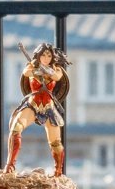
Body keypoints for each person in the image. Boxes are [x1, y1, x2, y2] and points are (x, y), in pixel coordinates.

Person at [6, 43, 70, 176]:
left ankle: (58, 171)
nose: (46, 58)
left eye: (49, 55)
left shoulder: (56, 69)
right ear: (38, 55)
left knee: (56, 142)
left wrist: (44, 70)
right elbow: (26, 72)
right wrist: (38, 69)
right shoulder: (31, 66)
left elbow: (57, 77)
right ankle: (10, 165)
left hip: (48, 107)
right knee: (16, 128)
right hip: (32, 105)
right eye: (43, 55)